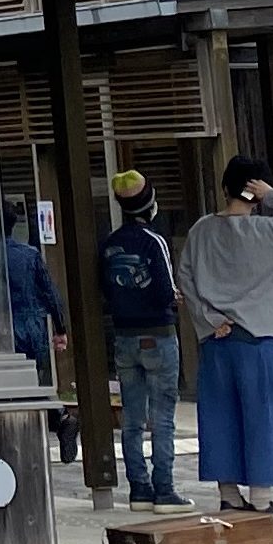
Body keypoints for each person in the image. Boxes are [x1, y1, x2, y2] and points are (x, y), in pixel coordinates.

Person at [178, 155, 273, 518]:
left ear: (225, 187)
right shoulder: (269, 231)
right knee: (265, 418)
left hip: (217, 339)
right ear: (256, 191)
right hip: (260, 338)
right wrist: (271, 195)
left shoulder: (201, 230)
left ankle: (229, 495)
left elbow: (185, 278)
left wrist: (209, 319)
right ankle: (261, 500)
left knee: (221, 417)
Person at [99, 170, 186, 510]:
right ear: (150, 203)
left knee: (132, 418)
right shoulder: (154, 241)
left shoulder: (109, 244)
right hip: (158, 335)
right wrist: (173, 298)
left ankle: (139, 488)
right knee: (162, 415)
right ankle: (164, 489)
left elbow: (106, 290)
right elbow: (165, 290)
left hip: (124, 335)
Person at [0, 199, 78, 462]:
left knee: (9, 386)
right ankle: (59, 417)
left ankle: (21, 438)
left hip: (2, 325)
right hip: (33, 324)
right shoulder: (29, 254)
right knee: (36, 380)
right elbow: (50, 292)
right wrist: (60, 328)